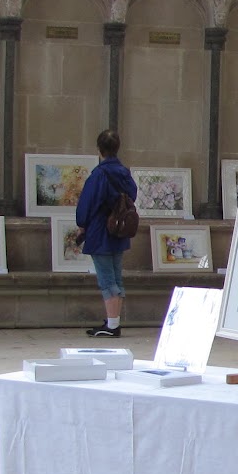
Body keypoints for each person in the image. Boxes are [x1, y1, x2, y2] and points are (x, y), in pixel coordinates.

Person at [73, 129, 138, 339]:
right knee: (116, 278)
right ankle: (113, 321)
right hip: (119, 231)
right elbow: (132, 196)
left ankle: (112, 326)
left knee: (106, 279)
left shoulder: (99, 175)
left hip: (101, 231)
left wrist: (82, 225)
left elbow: (87, 204)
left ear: (100, 150)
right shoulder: (124, 173)